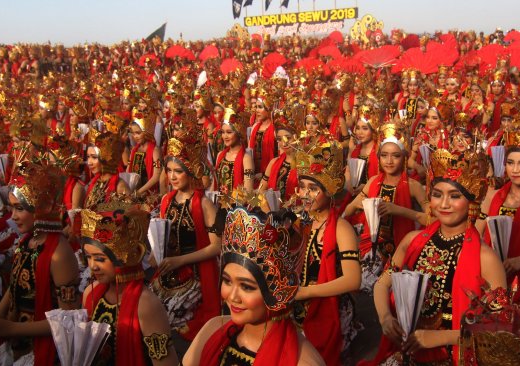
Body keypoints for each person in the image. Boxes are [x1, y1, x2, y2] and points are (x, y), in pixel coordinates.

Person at [367, 148, 507, 365]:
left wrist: (441, 337)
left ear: (471, 201)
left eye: (454, 196)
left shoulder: (485, 258)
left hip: (452, 356)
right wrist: (385, 317)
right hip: (407, 349)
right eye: (437, 194)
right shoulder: (412, 240)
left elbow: (499, 325)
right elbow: (382, 283)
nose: (443, 204)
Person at [183, 206, 324, 366]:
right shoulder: (212, 328)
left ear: (277, 291)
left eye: (247, 287)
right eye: (227, 281)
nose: (232, 296)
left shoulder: (303, 362)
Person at [0, 159, 80, 365]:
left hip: (43, 347)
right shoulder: (28, 240)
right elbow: (16, 284)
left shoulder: (59, 255)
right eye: (12, 208)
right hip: (15, 335)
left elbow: (67, 319)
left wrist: (10, 329)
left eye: (20, 208)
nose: (14, 216)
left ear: (40, 208)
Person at [81, 203, 179, 366]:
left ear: (123, 258)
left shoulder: (146, 305)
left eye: (100, 258)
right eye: (88, 257)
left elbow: (165, 363)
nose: (92, 266)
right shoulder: (90, 293)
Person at [294, 139, 362, 365]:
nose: (305, 194)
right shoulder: (297, 222)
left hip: (327, 306)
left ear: (329, 191)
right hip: (296, 302)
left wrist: (306, 293)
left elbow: (353, 280)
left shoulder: (341, 228)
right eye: (302, 187)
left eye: (313, 189)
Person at [344, 125, 429, 292]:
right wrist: (361, 205)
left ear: (404, 158)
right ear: (379, 157)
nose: (389, 161)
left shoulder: (413, 186)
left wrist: (398, 210)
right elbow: (349, 209)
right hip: (372, 250)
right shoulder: (373, 182)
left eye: (395, 156)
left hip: (401, 250)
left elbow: (430, 219)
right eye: (384, 156)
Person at [151, 134, 221, 339]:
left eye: (178, 171)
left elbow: (217, 247)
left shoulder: (203, 204)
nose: (172, 176)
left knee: (172, 320)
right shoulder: (166, 201)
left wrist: (179, 260)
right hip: (169, 271)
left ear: (190, 172)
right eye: (169, 170)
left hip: (195, 274)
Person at [477, 145, 520, 302]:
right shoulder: (493, 196)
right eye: (510, 162)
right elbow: (476, 234)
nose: (515, 169)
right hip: (492, 274)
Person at [85, 129, 129, 209]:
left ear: (106, 159)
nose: (89, 162)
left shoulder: (120, 186)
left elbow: (127, 217)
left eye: (94, 157)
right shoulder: (95, 182)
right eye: (88, 157)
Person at [214, 108, 254, 194]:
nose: (225, 136)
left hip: (238, 205)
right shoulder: (220, 155)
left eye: (229, 132)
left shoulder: (246, 158)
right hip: (219, 203)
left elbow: (248, 189)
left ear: (238, 133)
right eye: (223, 132)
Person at [128, 113, 162, 195]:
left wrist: (139, 192)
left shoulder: (155, 150)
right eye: (133, 133)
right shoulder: (134, 150)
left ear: (146, 132)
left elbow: (156, 176)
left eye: (138, 133)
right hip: (134, 190)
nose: (135, 136)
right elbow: (128, 170)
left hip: (149, 192)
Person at [248, 90, 277, 179]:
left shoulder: (275, 128)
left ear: (268, 109)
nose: (257, 110)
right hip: (254, 172)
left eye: (260, 107)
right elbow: (249, 150)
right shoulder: (255, 127)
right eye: (256, 107)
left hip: (270, 173)